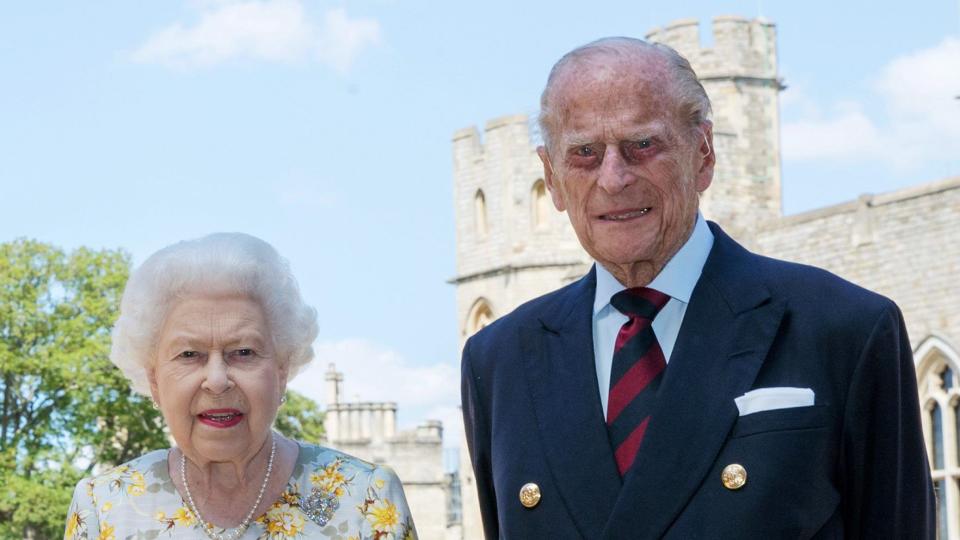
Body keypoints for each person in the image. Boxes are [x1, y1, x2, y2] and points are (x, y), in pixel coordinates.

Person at [460, 37, 935, 539]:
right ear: (551, 178)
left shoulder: (845, 329)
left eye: (642, 145)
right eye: (584, 153)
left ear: (703, 154)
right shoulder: (499, 361)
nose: (614, 178)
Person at [64, 233, 417, 540]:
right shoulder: (104, 506)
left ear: (281, 371)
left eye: (243, 352)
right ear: (154, 380)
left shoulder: (366, 499)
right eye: (190, 354)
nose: (217, 380)